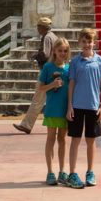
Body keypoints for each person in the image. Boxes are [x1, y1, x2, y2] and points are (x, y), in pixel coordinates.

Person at [66, 28, 101, 189]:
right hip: (77, 106)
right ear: (79, 42)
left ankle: (90, 171)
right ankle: (72, 173)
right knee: (75, 140)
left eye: (89, 41)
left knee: (91, 140)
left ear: (94, 43)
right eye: (84, 41)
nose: (87, 44)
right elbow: (71, 83)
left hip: (93, 106)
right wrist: (69, 105)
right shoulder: (75, 62)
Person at [13, 17, 57, 134]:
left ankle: (27, 125)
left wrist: (35, 56)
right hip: (53, 71)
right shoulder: (53, 36)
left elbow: (45, 54)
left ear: (43, 27)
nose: (37, 29)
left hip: (47, 72)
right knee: (52, 99)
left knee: (38, 99)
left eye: (38, 26)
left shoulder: (47, 37)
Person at [40, 37, 72, 186]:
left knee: (62, 140)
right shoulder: (48, 67)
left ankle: (62, 171)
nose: (63, 53)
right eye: (60, 50)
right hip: (52, 109)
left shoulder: (69, 68)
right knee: (50, 139)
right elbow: (40, 88)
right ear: (54, 51)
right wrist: (52, 84)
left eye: (65, 51)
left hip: (65, 110)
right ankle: (50, 171)